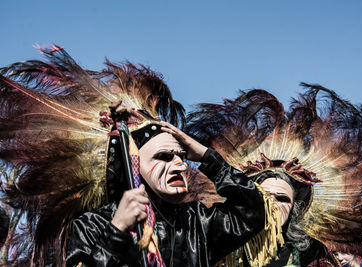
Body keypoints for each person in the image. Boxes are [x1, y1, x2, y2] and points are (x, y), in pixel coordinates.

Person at [0, 45, 268, 266]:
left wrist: (205, 155)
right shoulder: (93, 225)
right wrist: (117, 231)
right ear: (134, 165)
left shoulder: (199, 221)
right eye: (163, 156)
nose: (179, 164)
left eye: (181, 156)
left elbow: (252, 214)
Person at [185, 86, 362, 266]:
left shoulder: (314, 256)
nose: (272, 203)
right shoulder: (216, 245)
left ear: (295, 207)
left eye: (282, 198)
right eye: (264, 195)